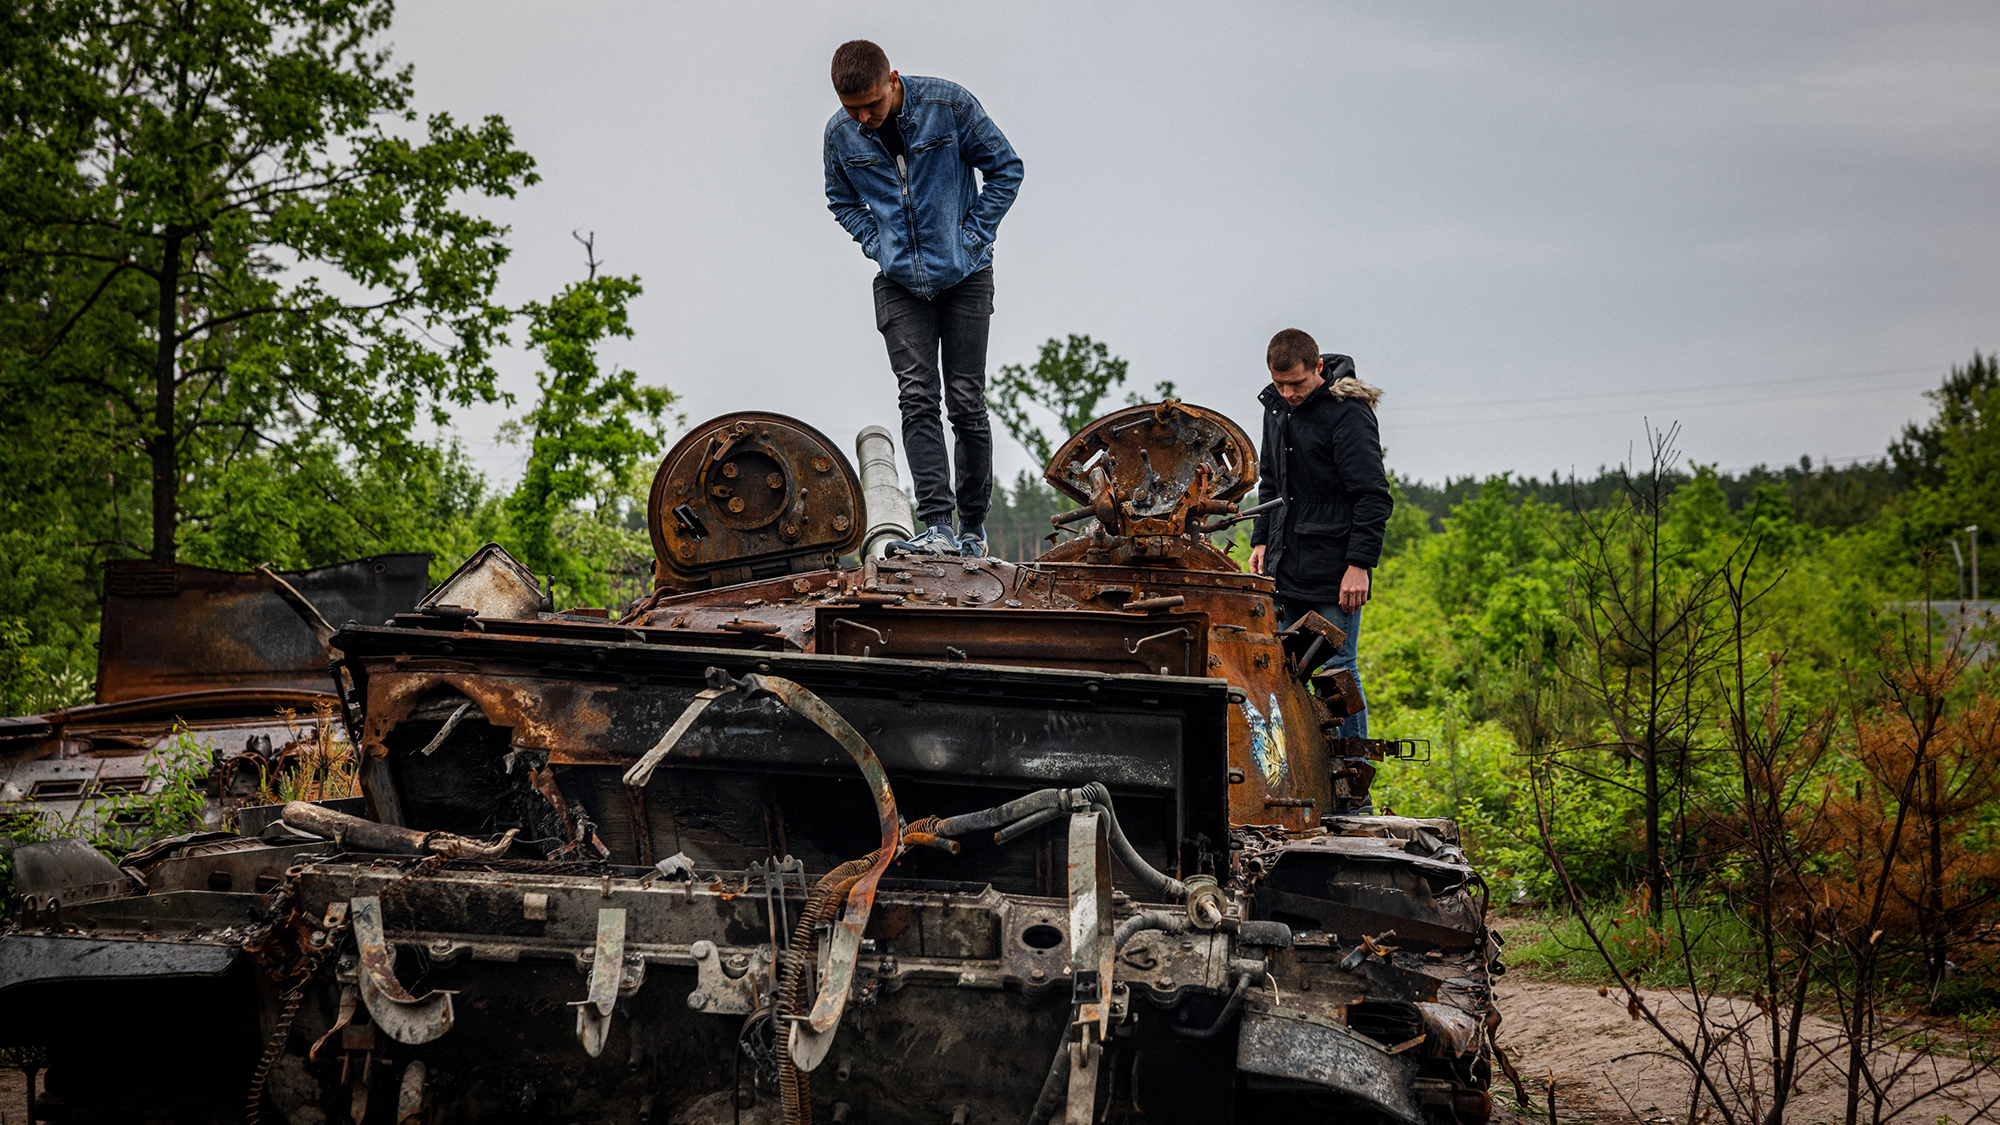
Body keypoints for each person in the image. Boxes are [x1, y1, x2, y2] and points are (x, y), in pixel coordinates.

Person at [823, 40, 1024, 558]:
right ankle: (936, 525)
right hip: (898, 282)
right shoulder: (838, 136)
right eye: (852, 109)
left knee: (966, 400)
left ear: (892, 80)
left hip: (966, 275)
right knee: (917, 396)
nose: (864, 117)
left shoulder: (949, 106)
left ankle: (972, 528)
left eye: (871, 104)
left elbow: (1006, 167)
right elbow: (840, 198)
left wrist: (973, 238)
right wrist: (876, 243)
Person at [1248, 328, 1392, 738]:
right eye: (1280, 383)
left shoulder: (1348, 411)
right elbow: (1271, 483)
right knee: (1283, 669)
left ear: (1319, 368)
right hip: (1284, 563)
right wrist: (1261, 540)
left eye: (1297, 383)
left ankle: (1353, 793)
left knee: (1335, 671)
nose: (1289, 392)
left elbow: (1372, 496)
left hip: (1334, 571)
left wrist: (1359, 565)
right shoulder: (1275, 406)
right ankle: (1304, 781)